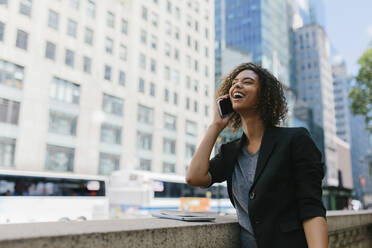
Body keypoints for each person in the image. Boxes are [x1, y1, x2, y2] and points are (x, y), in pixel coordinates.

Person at [186, 62, 328, 248]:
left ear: (264, 96)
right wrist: (216, 126)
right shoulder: (231, 152)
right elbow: (194, 177)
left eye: (247, 82)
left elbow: (311, 207)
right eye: (234, 83)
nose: (237, 86)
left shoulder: (295, 140)